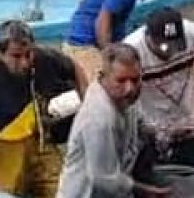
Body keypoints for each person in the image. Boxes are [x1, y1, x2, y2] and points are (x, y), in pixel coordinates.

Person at [0, 20, 87, 198]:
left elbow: (76, 70)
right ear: (1, 54)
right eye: (16, 56)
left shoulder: (46, 58)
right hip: (2, 149)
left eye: (29, 54)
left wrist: (86, 108)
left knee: (65, 191)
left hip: (39, 140)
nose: (25, 63)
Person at [57, 43, 171, 198]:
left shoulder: (124, 99)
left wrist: (166, 133)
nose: (129, 88)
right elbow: (104, 179)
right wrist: (145, 191)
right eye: (121, 80)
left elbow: (141, 125)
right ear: (103, 77)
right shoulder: (99, 118)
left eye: (135, 79)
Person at [123, 8, 194, 171]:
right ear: (148, 37)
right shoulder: (131, 51)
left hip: (189, 117)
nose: (170, 52)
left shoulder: (193, 34)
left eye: (175, 46)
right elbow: (122, 94)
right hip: (154, 125)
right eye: (164, 47)